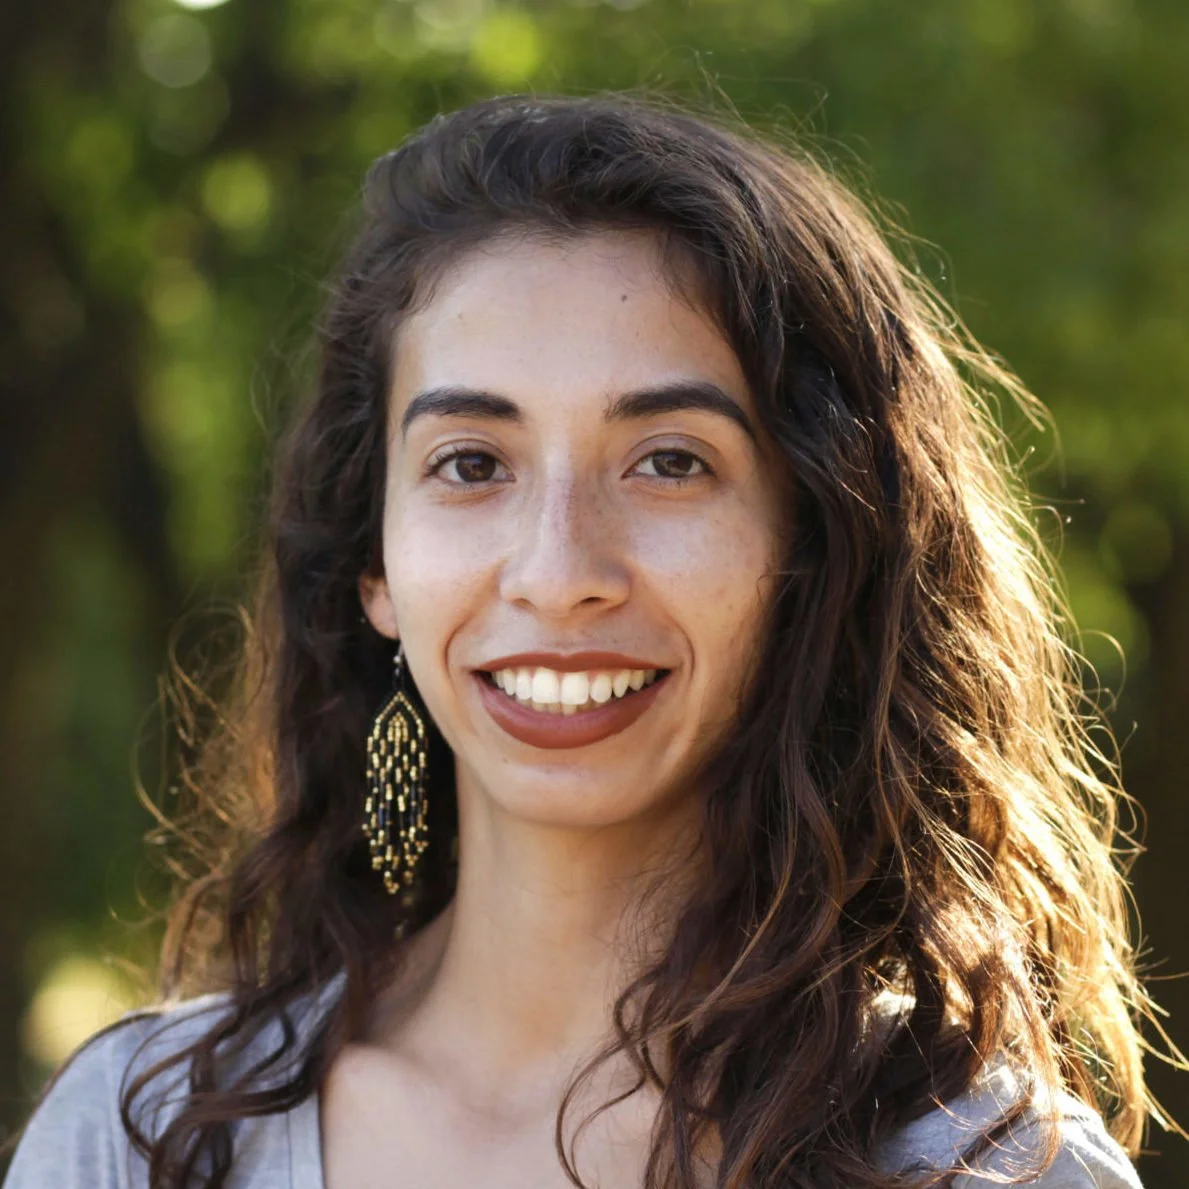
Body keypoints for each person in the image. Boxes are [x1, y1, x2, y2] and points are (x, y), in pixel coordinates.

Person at [3, 92, 1163, 1189]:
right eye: (471, 464)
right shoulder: (141, 1141)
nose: (558, 574)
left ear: (816, 549)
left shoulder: (983, 1171)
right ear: (377, 567)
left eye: (669, 461)